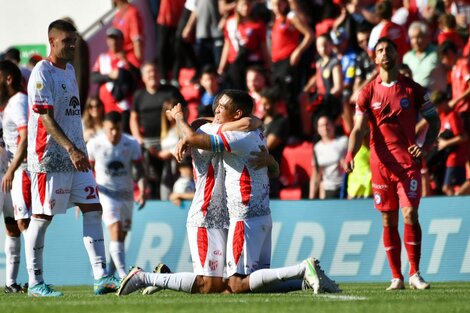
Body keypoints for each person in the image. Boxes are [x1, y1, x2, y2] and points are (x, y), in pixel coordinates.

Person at [117, 90, 340, 296]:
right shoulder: (232, 131)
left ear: (237, 113)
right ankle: (148, 277)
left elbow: (269, 162)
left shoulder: (236, 133)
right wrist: (255, 127)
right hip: (208, 214)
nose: (216, 113)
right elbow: (200, 131)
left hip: (234, 216)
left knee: (235, 284)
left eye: (221, 109)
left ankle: (160, 277)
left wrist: (180, 120)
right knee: (219, 285)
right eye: (215, 109)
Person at [25, 19, 120, 297]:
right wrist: (70, 148)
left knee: (93, 208)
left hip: (77, 156)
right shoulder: (42, 72)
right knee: (42, 217)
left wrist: (78, 149)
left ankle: (101, 277)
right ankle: (35, 282)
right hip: (50, 158)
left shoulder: (68, 69)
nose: (73, 45)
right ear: (52, 41)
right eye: (68, 41)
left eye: (74, 40)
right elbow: (45, 118)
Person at [344, 37, 440, 291]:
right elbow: (357, 128)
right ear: (375, 59)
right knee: (388, 220)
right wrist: (349, 154)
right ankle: (396, 276)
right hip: (380, 165)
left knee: (410, 213)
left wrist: (426, 146)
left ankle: (415, 273)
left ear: (398, 54)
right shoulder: (367, 92)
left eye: (389, 49)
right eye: (380, 50)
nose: (385, 53)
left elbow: (435, 120)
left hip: (408, 163)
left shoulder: (413, 89)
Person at [87, 111, 146, 279]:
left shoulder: (131, 143)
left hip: (126, 194)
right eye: (111, 129)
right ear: (105, 127)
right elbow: (87, 172)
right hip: (105, 193)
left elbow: (140, 170)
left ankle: (112, 273)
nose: (114, 133)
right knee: (115, 228)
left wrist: (142, 190)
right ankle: (123, 274)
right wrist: (85, 197)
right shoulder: (94, 144)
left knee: (121, 235)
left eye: (118, 129)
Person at [130, 62, 186, 199]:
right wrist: (138, 137)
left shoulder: (170, 91)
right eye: (148, 72)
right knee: (150, 175)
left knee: (170, 174)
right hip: (148, 141)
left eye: (155, 70)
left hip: (169, 139)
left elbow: (185, 110)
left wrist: (179, 131)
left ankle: (172, 198)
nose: (152, 74)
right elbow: (133, 118)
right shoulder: (139, 95)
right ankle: (151, 198)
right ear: (143, 77)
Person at [0, 60, 30, 293]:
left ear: (8, 79)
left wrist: (10, 169)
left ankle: (12, 282)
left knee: (16, 225)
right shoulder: (7, 105)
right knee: (17, 225)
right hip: (9, 172)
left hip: (12, 172)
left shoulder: (17, 102)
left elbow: (24, 136)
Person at [91, 27, 138, 132]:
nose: (113, 42)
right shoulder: (102, 58)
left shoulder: (130, 56)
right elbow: (93, 77)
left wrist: (126, 62)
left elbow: (137, 77)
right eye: (110, 39)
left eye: (116, 38)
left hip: (123, 107)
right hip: (105, 106)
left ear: (122, 40)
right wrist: (109, 76)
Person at [112, 0, 145, 68]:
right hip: (118, 58)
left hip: (130, 59)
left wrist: (138, 63)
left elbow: (137, 39)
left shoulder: (132, 12)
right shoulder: (118, 15)